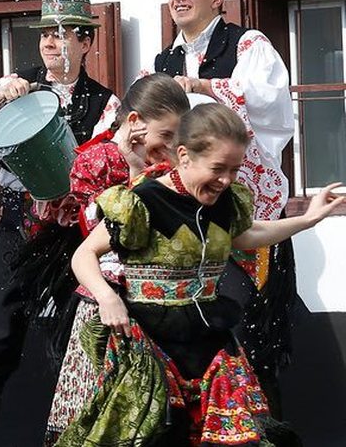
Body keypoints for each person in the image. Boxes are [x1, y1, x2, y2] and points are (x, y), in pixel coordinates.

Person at [58, 103, 343, 445]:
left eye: (234, 170)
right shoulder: (144, 201)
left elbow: (246, 235)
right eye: (218, 168)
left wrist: (307, 220)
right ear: (185, 155)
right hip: (151, 346)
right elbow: (84, 254)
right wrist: (107, 298)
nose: (225, 180)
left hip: (210, 341)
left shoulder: (226, 201)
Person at [0, 0, 120, 446]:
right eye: (47, 33)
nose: (52, 42)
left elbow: (110, 161)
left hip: (77, 239)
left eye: (66, 33)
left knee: (78, 342)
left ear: (86, 43)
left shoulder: (106, 102)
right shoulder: (16, 83)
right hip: (20, 227)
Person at [151, 0, 296, 409]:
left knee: (253, 341)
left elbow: (268, 99)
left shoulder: (247, 44)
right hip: (190, 220)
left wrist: (202, 86)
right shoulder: (164, 61)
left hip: (248, 215)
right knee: (192, 345)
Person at [43, 73, 190, 444]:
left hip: (160, 298)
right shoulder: (98, 160)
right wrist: (144, 177)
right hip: (107, 298)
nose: (172, 146)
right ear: (136, 122)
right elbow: (107, 225)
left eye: (178, 138)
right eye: (167, 136)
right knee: (103, 414)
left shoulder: (170, 167)